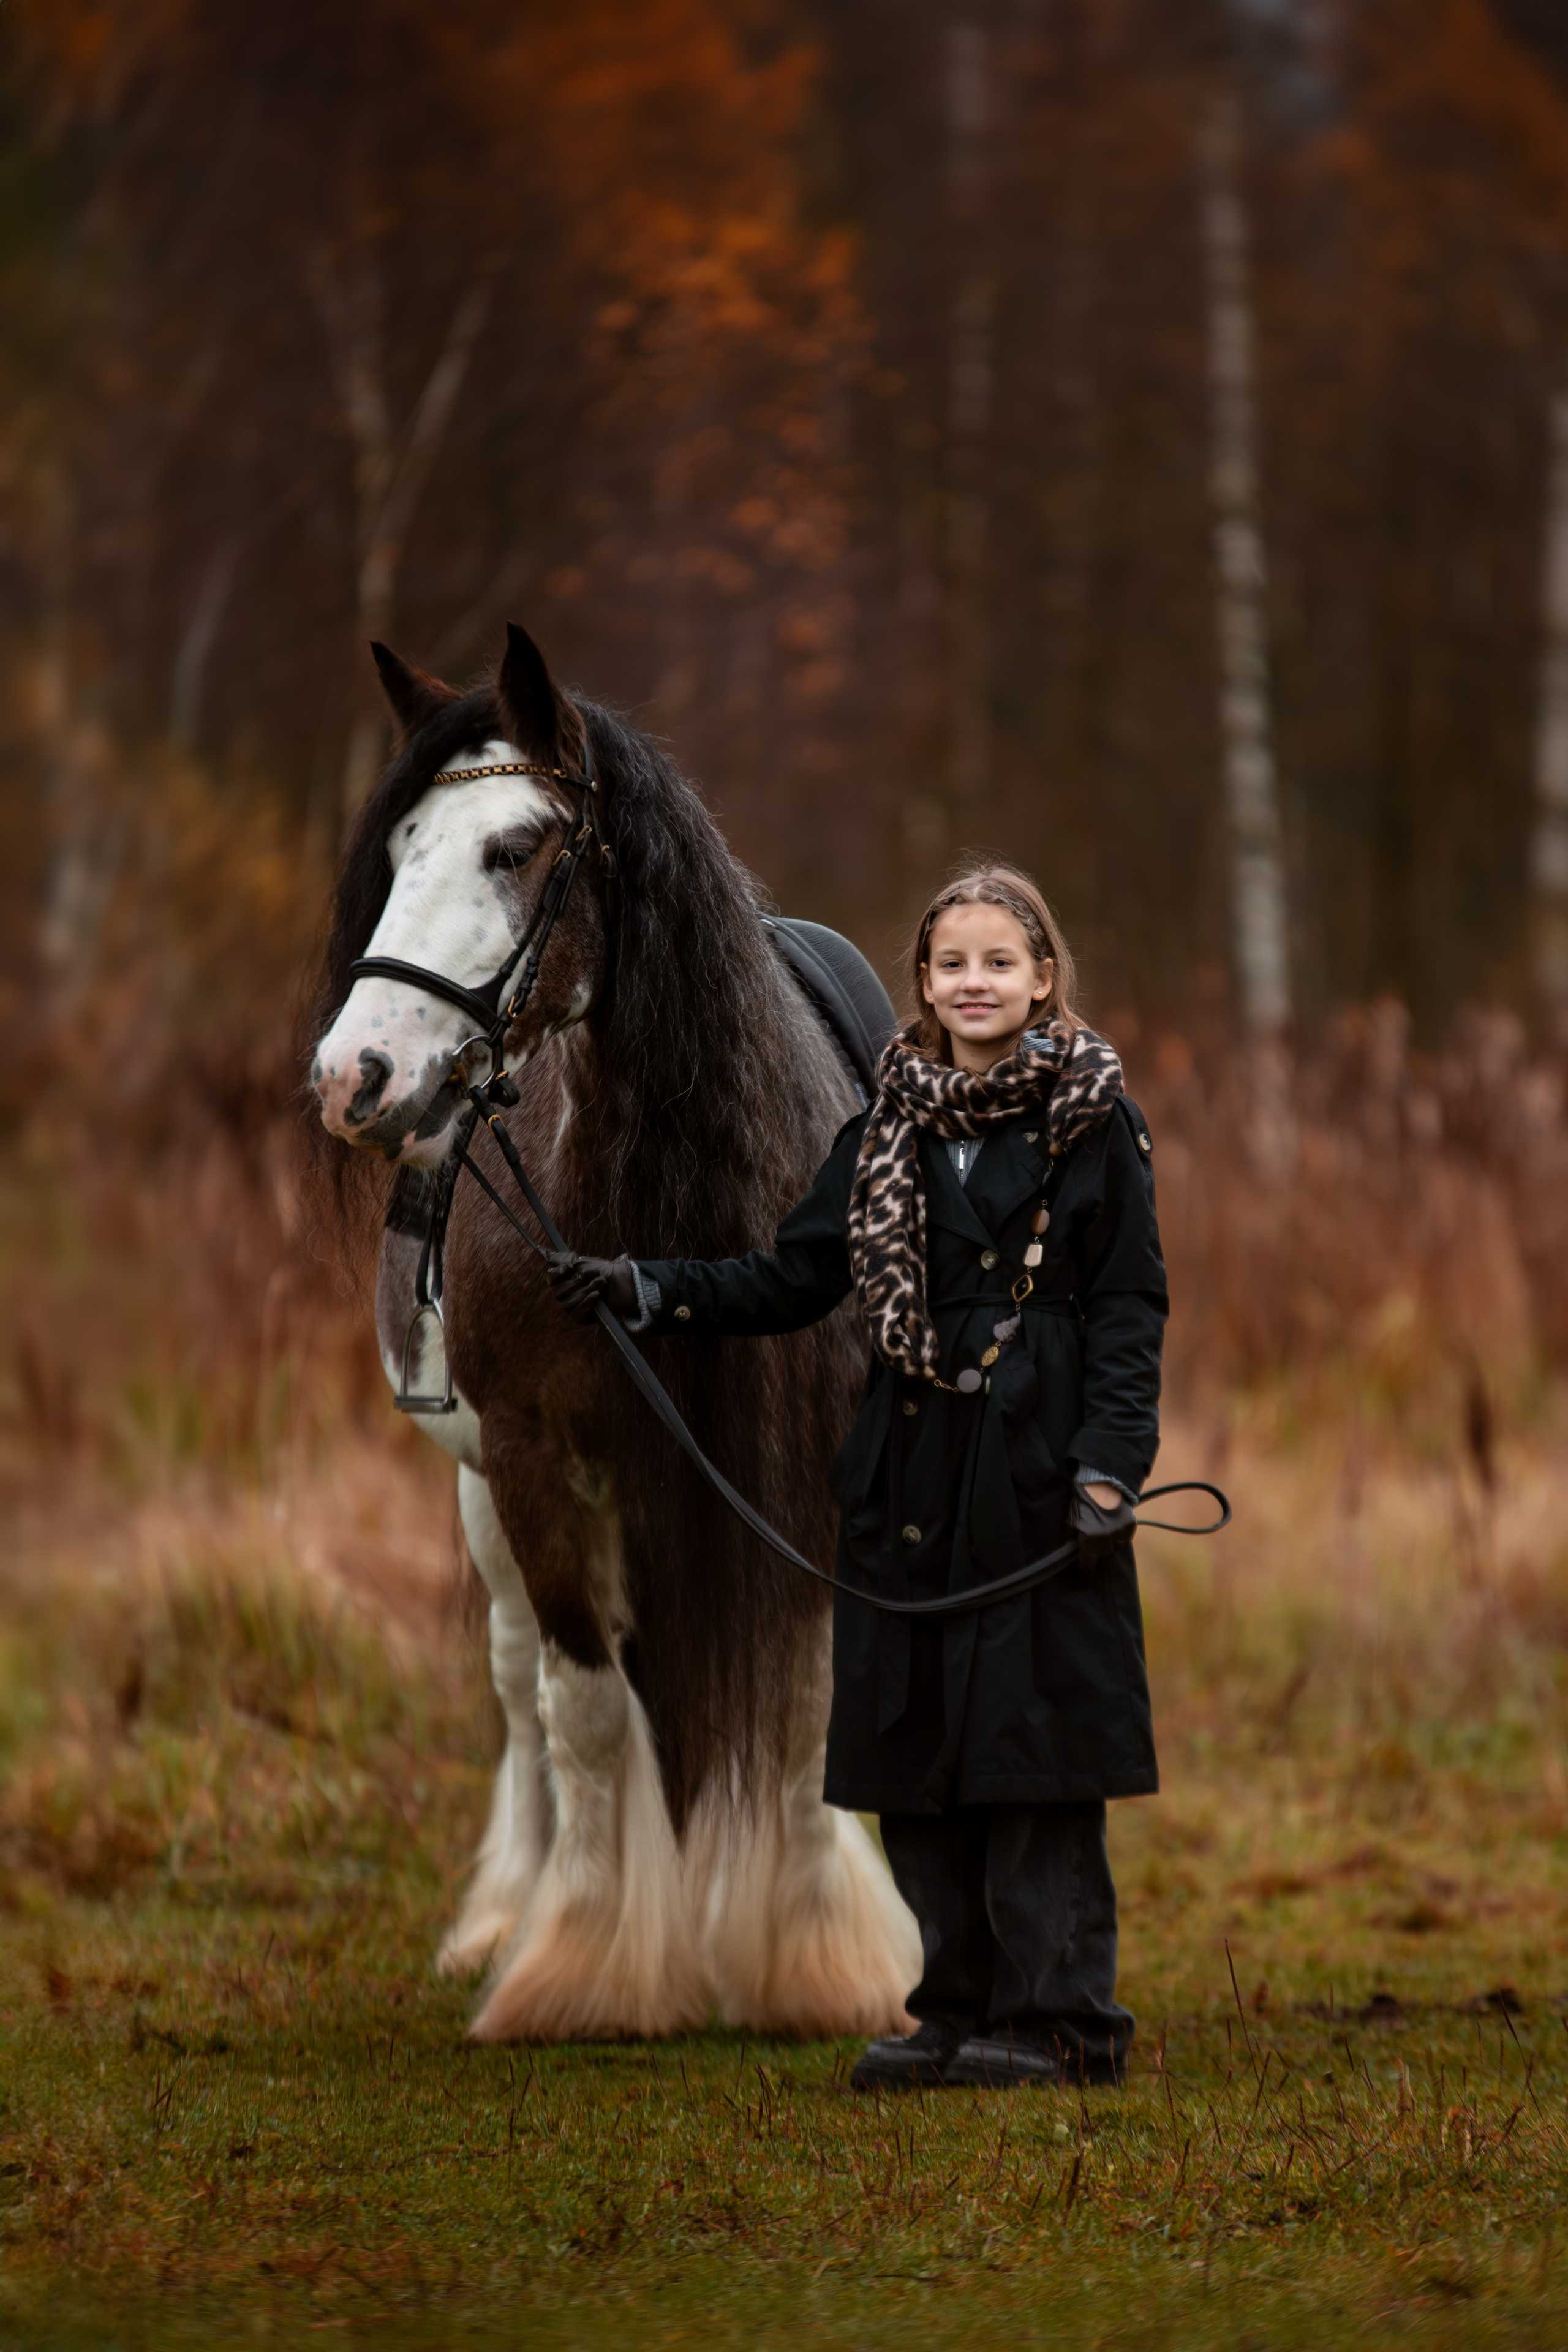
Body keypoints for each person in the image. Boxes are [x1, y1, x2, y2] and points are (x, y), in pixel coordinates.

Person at [546, 862, 1167, 2090]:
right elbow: (793, 1277)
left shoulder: (1094, 1124)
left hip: (1036, 1466)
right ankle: (949, 2013)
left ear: (1043, 979)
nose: (973, 982)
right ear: (920, 988)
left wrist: (1107, 1470)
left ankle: (1058, 2024)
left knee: (1030, 1749)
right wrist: (646, 1285)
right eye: (950, 965)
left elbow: (1127, 1307)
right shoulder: (885, 1126)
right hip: (905, 1471)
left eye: (999, 961)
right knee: (918, 1743)